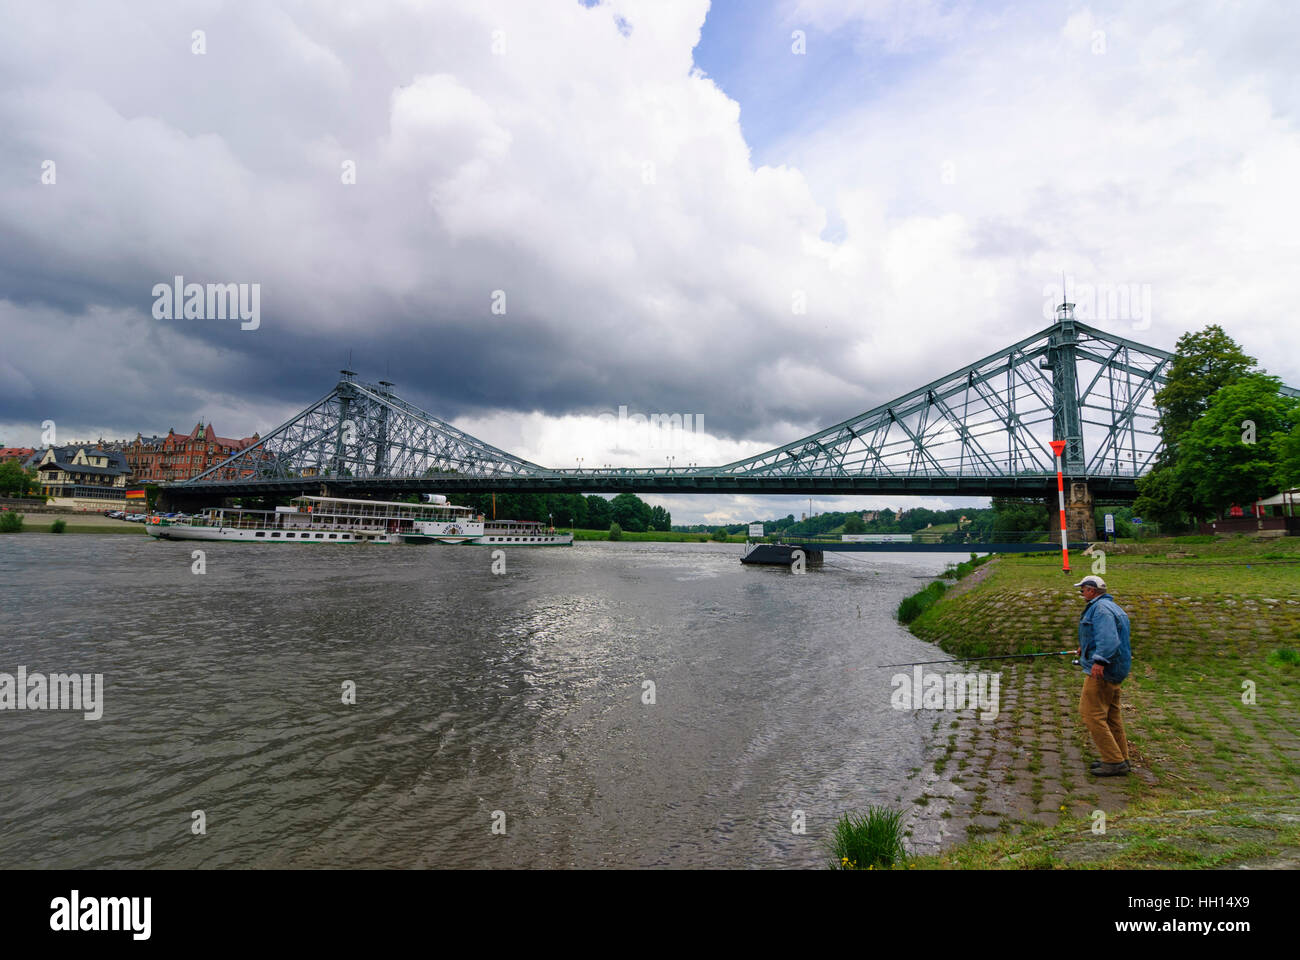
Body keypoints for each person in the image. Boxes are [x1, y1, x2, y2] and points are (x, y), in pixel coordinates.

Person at [1074, 574, 1132, 776]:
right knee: (1111, 715)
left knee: (1090, 713)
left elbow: (1109, 640)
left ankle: (1113, 761)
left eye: (1082, 590)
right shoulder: (1112, 607)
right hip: (1117, 668)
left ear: (1091, 590)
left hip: (1104, 670)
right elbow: (1104, 635)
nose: (1081, 593)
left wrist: (1099, 660)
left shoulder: (1100, 610)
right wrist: (1086, 647)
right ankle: (1121, 758)